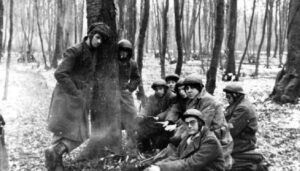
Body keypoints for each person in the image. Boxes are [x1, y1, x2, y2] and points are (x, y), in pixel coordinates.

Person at [45, 22, 111, 171]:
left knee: (80, 134)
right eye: (98, 37)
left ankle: (55, 155)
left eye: (102, 40)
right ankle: (54, 165)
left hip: (78, 99)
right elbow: (60, 73)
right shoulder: (75, 50)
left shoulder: (93, 52)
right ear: (91, 35)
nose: (99, 42)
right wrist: (76, 93)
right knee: (61, 132)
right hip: (65, 97)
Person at [144, 109, 225, 171]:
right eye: (186, 123)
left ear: (200, 123)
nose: (189, 126)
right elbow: (176, 156)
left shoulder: (210, 141)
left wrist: (161, 168)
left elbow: (191, 164)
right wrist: (157, 165)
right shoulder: (188, 137)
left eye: (192, 122)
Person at [183, 74, 233, 170]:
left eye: (192, 87)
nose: (188, 90)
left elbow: (202, 125)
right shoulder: (193, 100)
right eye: (187, 88)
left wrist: (180, 134)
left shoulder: (208, 101)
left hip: (217, 139)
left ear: (199, 87)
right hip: (205, 135)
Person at [223, 84, 266, 171]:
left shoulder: (243, 108)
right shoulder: (238, 104)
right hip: (239, 139)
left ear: (236, 95)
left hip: (242, 142)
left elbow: (231, 129)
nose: (227, 99)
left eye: (228, 96)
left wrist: (220, 129)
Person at [137, 79, 176, 152]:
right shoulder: (152, 97)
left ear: (165, 88)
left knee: (163, 137)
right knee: (141, 126)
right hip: (156, 121)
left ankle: (161, 149)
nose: (158, 91)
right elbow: (147, 108)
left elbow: (171, 110)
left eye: (160, 89)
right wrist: (141, 115)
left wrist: (159, 117)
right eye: (156, 89)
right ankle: (146, 149)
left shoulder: (172, 96)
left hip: (168, 121)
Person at [117, 39, 141, 150]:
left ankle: (131, 140)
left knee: (131, 114)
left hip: (125, 93)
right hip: (112, 92)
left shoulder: (132, 63)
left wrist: (130, 88)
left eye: (126, 51)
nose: (123, 53)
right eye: (121, 50)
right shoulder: (112, 62)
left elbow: (136, 78)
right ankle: (115, 142)